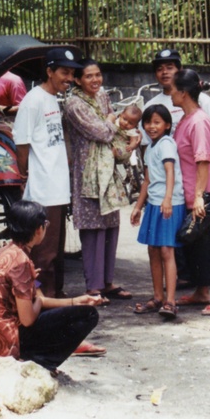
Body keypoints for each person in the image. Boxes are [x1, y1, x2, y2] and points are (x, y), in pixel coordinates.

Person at [0, 200, 105, 373]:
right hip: (9, 338)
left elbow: (38, 300)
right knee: (88, 315)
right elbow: (28, 318)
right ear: (39, 229)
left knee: (73, 310)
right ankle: (41, 361)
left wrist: (76, 301)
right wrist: (38, 301)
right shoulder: (21, 262)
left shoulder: (9, 250)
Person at [61, 59, 136, 302]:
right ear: (77, 80)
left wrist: (114, 122)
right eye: (89, 76)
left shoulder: (102, 95)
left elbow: (112, 119)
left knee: (111, 224)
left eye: (98, 75)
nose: (95, 80)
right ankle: (93, 287)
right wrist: (114, 121)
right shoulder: (73, 104)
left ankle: (107, 282)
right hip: (87, 172)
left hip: (108, 168)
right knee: (93, 228)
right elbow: (102, 131)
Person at [13, 47, 82, 298]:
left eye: (72, 74)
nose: (69, 78)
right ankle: (43, 301)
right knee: (45, 251)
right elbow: (22, 142)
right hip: (43, 188)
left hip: (58, 186)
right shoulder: (33, 100)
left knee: (56, 249)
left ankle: (56, 294)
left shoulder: (54, 99)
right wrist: (24, 176)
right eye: (64, 72)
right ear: (49, 71)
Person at [170, 69, 210, 315]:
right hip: (189, 192)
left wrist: (198, 196)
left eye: (174, 89)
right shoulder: (186, 119)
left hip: (204, 194)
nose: (171, 94)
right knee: (194, 245)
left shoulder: (198, 121)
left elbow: (204, 160)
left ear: (184, 93)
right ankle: (202, 291)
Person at [129, 105, 186, 320]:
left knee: (166, 251)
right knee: (153, 249)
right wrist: (138, 207)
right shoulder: (150, 147)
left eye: (156, 122)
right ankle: (157, 297)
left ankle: (170, 301)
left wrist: (168, 199)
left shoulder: (166, 144)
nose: (151, 127)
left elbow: (170, 172)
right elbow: (147, 180)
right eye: (147, 122)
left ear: (167, 125)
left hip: (169, 203)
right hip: (153, 204)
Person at [147, 48, 210, 137]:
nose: (164, 72)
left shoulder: (202, 100)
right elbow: (146, 144)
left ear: (180, 70)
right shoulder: (150, 106)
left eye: (169, 68)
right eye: (159, 69)